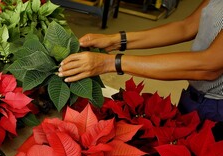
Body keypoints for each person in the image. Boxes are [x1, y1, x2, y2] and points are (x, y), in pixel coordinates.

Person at [58, 0, 223, 122]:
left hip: (217, 107)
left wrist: (109, 63)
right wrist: (115, 40)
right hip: (195, 95)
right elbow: (186, 27)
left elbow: (208, 67)